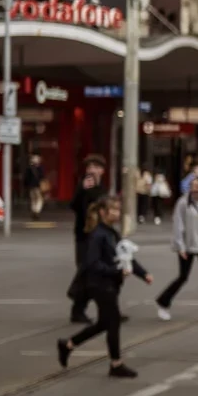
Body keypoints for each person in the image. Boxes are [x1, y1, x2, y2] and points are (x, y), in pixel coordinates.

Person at [58, 194, 147, 378]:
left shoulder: (112, 233)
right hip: (99, 285)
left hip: (109, 284)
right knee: (113, 322)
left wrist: (143, 274)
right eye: (113, 210)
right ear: (102, 212)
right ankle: (116, 364)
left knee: (103, 323)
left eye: (118, 210)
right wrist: (116, 271)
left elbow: (126, 256)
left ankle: (68, 344)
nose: (117, 213)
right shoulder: (98, 235)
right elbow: (92, 263)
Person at [158, 175, 198, 320]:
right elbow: (178, 225)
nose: (196, 188)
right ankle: (164, 302)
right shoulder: (182, 203)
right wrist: (179, 246)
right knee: (183, 277)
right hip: (188, 245)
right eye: (193, 185)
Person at [70, 156, 107, 322]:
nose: (91, 169)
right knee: (87, 272)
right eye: (89, 166)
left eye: (95, 166)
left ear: (102, 170)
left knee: (95, 273)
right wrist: (82, 190)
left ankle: (81, 309)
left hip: (99, 235)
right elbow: (74, 206)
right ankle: (78, 308)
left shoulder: (102, 188)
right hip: (83, 235)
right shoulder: (82, 186)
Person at [25, 153, 44, 220]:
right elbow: (42, 177)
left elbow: (26, 178)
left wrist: (26, 185)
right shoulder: (40, 168)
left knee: (33, 199)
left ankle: (33, 211)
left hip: (31, 186)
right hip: (38, 186)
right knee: (39, 199)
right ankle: (37, 211)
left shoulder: (29, 168)